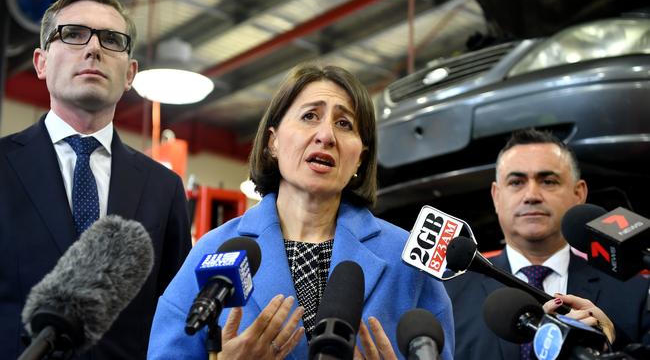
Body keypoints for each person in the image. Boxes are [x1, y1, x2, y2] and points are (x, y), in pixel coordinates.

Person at [148, 63, 455, 359]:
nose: (326, 135)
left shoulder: (407, 259)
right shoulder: (213, 251)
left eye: (344, 123)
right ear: (273, 142)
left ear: (360, 158)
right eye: (310, 116)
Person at [0, 0, 191, 359]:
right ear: (41, 62)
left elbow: (174, 316)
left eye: (111, 40)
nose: (93, 49)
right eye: (73, 34)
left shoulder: (163, 189)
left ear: (131, 73)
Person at [444, 128, 650, 360]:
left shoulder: (635, 291)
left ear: (578, 194)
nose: (531, 195)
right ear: (496, 197)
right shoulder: (449, 298)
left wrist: (607, 349)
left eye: (548, 181)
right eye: (516, 182)